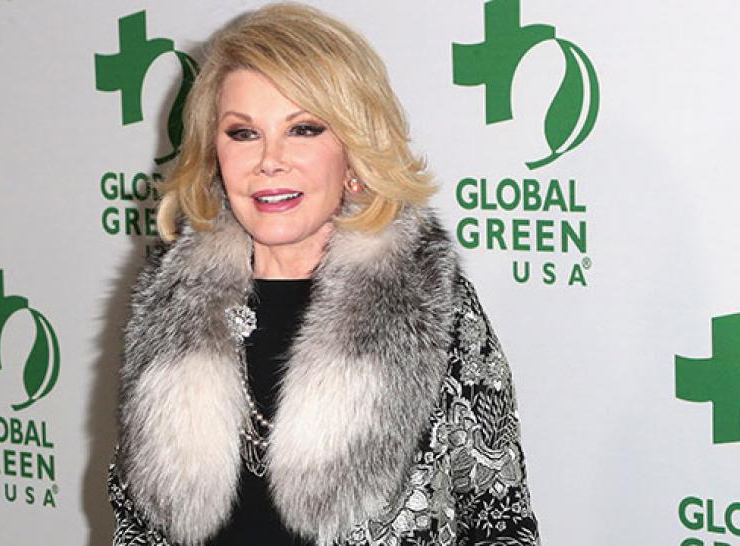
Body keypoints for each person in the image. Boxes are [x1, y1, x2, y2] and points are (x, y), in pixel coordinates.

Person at [109, 3, 540, 545]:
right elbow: (136, 519)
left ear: (354, 153)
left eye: (303, 129)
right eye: (243, 133)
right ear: (214, 152)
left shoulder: (425, 300)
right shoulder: (172, 301)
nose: (269, 161)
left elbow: (501, 519)